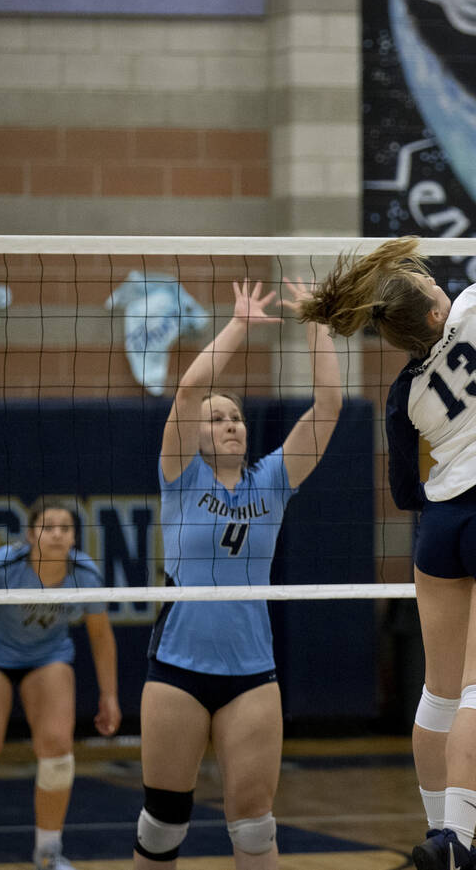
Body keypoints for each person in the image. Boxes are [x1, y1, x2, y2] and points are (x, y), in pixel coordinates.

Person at [300, 50, 476, 870]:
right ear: (434, 303)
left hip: (440, 529)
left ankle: (437, 834)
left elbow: (400, 487)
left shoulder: (404, 395)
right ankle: (455, 839)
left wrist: (439, 508)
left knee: (440, 690)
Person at [132, 278, 341, 870]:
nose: (229, 424)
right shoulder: (180, 474)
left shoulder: (272, 481)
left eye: (237, 418)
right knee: (163, 826)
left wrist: (318, 325)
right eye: (216, 418)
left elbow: (329, 407)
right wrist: (240, 325)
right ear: (196, 434)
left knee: (253, 829)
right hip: (177, 668)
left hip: (252, 672)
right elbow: (190, 386)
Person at [0, 499, 120, 870]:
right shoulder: (4, 566)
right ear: (31, 534)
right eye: (48, 527)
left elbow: (100, 636)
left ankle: (48, 852)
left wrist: (109, 695)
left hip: (48, 659)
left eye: (65, 528)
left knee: (57, 749)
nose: (57, 534)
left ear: (75, 537)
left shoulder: (84, 573)